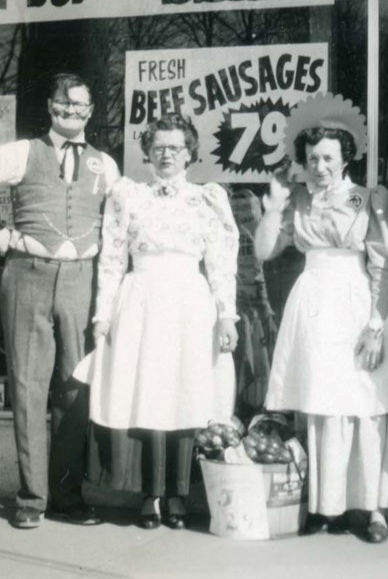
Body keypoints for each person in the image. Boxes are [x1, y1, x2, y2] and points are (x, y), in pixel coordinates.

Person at [0, 73, 119, 529]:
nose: (71, 113)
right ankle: (31, 498)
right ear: (50, 107)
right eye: (64, 105)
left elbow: (119, 230)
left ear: (90, 111)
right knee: (27, 387)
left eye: (80, 107)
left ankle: (66, 494)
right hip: (28, 276)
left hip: (84, 278)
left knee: (75, 387)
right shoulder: (23, 152)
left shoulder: (107, 164)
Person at [255, 96, 388, 543]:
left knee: (365, 401)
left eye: (328, 158)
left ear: (345, 159)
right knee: (322, 404)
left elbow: (385, 262)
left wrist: (376, 323)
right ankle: (327, 506)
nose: (319, 166)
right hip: (314, 300)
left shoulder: (367, 198)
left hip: (357, 300)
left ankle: (374, 509)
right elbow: (263, 251)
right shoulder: (298, 199)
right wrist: (275, 205)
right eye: (312, 158)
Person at [83, 112, 239, 530]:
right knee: (149, 394)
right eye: (159, 148)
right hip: (142, 302)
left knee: (186, 393)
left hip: (190, 301)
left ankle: (180, 495)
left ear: (190, 153)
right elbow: (112, 258)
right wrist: (103, 314)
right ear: (148, 153)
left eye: (175, 147)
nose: (167, 155)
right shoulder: (127, 195)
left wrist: (227, 314)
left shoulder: (208, 198)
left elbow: (222, 263)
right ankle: (150, 495)